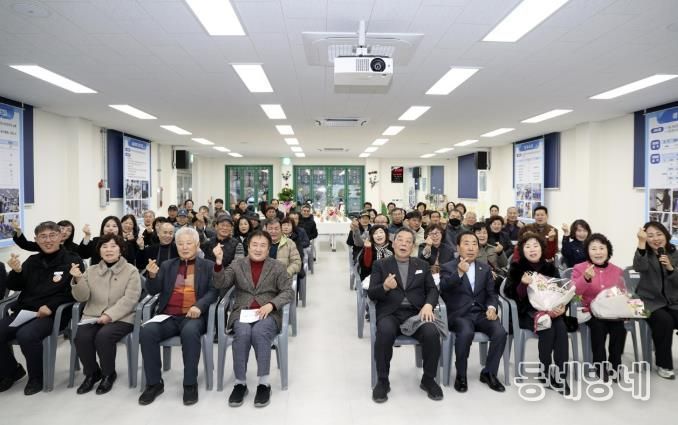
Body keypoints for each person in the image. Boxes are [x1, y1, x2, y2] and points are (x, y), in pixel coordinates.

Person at [0, 221, 84, 395]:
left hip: (53, 314)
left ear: (60, 237)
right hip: (25, 312)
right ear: (36, 240)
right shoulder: (32, 261)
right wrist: (16, 272)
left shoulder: (72, 260)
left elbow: (74, 292)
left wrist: (51, 306)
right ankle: (12, 371)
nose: (48, 240)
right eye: (43, 237)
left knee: (26, 335)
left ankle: (36, 378)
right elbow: (16, 286)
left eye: (52, 235)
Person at [213, 230, 294, 408]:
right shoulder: (237, 264)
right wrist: (218, 263)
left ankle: (264, 383)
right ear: (248, 247)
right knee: (242, 333)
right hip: (243, 312)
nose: (258, 249)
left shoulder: (277, 266)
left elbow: (288, 292)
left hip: (268, 313)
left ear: (269, 248)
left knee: (259, 332)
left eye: (263, 245)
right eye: (254, 245)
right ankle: (240, 383)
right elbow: (220, 283)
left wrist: (271, 305)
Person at [138, 227, 218, 406]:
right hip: (169, 316)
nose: (184, 247)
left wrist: (199, 306)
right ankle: (154, 383)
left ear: (197, 244)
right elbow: (153, 290)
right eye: (180, 244)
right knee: (147, 331)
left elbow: (214, 291)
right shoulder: (168, 265)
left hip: (193, 316)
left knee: (189, 332)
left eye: (189, 243)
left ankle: (190, 383)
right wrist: (152, 275)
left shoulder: (208, 266)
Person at [368, 227, 443, 403]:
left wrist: (428, 305)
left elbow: (432, 290)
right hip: (390, 312)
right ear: (393, 244)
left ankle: (428, 379)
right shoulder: (381, 265)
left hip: (416, 313)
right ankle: (382, 381)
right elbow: (372, 293)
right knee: (384, 332)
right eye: (400, 240)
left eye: (408, 241)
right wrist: (385, 287)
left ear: (413, 246)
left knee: (432, 333)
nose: (404, 244)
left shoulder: (422, 265)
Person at [70, 234, 142, 395]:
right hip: (93, 316)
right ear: (99, 251)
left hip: (122, 317)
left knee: (104, 336)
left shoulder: (131, 270)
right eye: (104, 246)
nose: (109, 250)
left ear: (121, 250)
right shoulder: (91, 270)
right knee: (81, 337)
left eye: (113, 246)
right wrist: (78, 279)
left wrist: (109, 315)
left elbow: (131, 299)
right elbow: (82, 297)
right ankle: (92, 373)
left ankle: (108, 374)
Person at [440, 232, 507, 393]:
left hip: (481, 313)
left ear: (478, 248)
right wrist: (459, 273)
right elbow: (443, 288)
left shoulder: (485, 268)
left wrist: (491, 308)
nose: (471, 248)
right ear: (458, 248)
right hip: (459, 314)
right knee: (466, 332)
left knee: (500, 332)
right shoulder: (448, 267)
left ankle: (489, 373)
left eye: (474, 244)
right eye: (466, 243)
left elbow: (492, 294)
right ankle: (461, 375)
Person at [504, 232, 569, 395]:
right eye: (528, 246)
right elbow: (511, 294)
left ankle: (561, 374)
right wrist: (523, 284)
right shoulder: (517, 268)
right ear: (522, 250)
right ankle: (545, 371)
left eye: (535, 246)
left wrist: (562, 307)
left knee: (561, 328)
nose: (532, 249)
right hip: (527, 312)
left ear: (541, 249)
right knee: (547, 327)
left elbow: (561, 291)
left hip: (551, 310)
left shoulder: (550, 268)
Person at [571, 233, 625, 379]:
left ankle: (615, 365)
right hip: (590, 311)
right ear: (587, 251)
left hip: (612, 311)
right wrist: (585, 278)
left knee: (619, 329)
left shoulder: (617, 271)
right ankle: (599, 366)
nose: (598, 252)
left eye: (602, 248)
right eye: (593, 248)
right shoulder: (580, 268)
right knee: (598, 328)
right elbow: (574, 293)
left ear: (608, 250)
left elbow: (623, 293)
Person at [633, 221, 678, 379]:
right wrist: (641, 243)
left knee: (668, 319)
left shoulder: (674, 253)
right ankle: (663, 364)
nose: (656, 239)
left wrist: (671, 268)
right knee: (665, 321)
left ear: (666, 235)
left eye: (659, 234)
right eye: (650, 236)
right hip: (644, 303)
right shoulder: (644, 252)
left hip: (672, 302)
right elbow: (639, 267)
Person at [12, 219, 79, 254]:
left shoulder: (74, 247)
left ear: (71, 233)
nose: (64, 232)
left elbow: (83, 254)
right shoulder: (46, 243)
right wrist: (18, 230)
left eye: (68, 230)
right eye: (62, 228)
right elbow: (25, 244)